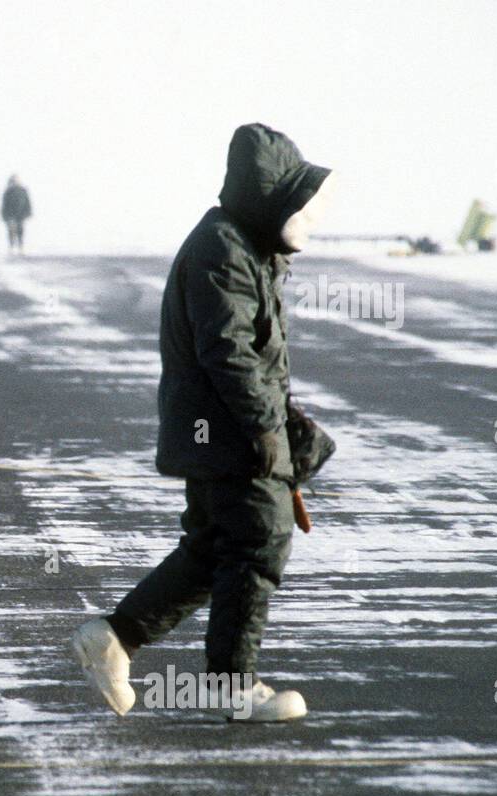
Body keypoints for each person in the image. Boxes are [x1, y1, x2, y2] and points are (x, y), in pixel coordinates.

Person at [69, 123, 337, 723]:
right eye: (296, 202)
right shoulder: (223, 249)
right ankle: (231, 685)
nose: (307, 218)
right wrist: (269, 431)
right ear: (268, 197)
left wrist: (284, 425)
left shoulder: (243, 246)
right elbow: (229, 351)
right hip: (231, 435)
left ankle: (113, 638)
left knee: (215, 548)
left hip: (226, 431)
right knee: (258, 541)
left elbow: (250, 353)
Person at [1, 175, 32, 254]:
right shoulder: (8, 192)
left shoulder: (23, 191)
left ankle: (20, 247)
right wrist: (4, 215)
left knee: (20, 231)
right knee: (11, 231)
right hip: (10, 215)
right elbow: (4, 205)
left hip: (20, 214)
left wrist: (28, 212)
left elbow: (27, 202)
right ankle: (11, 247)